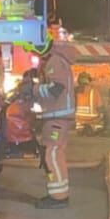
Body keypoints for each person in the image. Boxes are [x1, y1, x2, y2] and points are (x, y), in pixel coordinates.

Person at [29, 34, 78, 209]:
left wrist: (32, 89)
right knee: (52, 154)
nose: (33, 53)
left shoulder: (54, 62)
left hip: (57, 117)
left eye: (33, 49)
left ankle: (59, 198)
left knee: (52, 155)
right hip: (56, 116)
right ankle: (57, 194)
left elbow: (56, 89)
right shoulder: (54, 60)